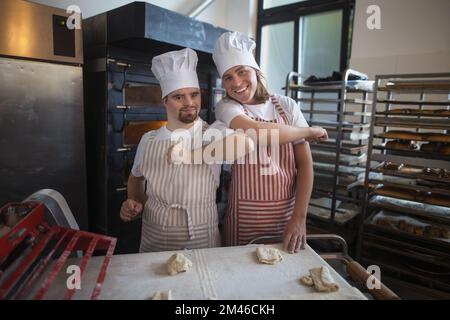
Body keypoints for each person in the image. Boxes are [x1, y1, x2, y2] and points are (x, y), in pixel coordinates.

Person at [119, 48, 254, 252]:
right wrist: (134, 204)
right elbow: (136, 178)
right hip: (153, 238)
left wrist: (190, 155)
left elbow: (246, 143)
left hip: (199, 239)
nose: (190, 103)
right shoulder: (148, 139)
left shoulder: (213, 132)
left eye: (194, 94)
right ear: (164, 100)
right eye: (179, 97)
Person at [212, 31, 328, 253]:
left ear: (255, 70)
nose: (236, 83)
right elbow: (259, 132)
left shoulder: (287, 106)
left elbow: (305, 164)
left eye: (241, 71)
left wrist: (300, 217)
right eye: (228, 77)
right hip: (244, 217)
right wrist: (308, 131)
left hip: (286, 214)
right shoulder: (227, 107)